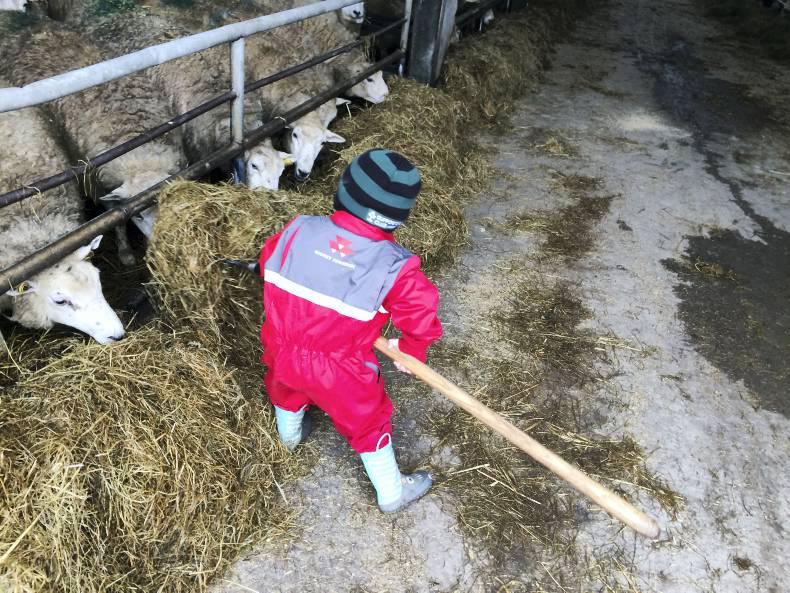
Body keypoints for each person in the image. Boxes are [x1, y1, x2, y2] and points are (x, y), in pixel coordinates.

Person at [257, 148, 442, 513]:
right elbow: (420, 307)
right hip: (341, 367)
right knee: (367, 421)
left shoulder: (297, 230)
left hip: (281, 347)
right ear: (397, 218)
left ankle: (288, 440)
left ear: (343, 192)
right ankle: (391, 493)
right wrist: (412, 348)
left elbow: (267, 263)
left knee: (285, 390)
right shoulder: (394, 266)